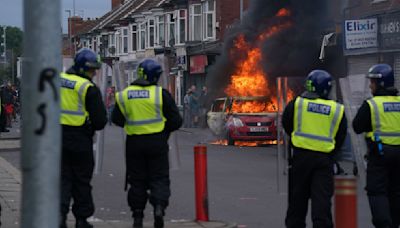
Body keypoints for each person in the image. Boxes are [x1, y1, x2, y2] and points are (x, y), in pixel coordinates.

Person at [112, 59, 182, 228]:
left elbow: (116, 119)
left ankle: (137, 215)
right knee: (159, 178)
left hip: (134, 143)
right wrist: (164, 131)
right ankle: (158, 207)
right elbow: (176, 120)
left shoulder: (124, 95)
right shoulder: (160, 94)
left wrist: (132, 124)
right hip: (157, 142)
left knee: (137, 180)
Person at [282, 70, 347, 228]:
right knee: (322, 207)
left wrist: (299, 139)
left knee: (297, 206)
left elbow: (287, 124)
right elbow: (340, 137)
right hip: (324, 162)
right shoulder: (336, 109)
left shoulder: (297, 103)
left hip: (300, 160)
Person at [59, 48, 107, 228]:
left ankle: (59, 217)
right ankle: (81, 220)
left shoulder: (57, 81)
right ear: (81, 68)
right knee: (81, 182)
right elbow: (100, 121)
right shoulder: (87, 88)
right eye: (91, 70)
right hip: (80, 140)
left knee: (61, 180)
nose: (94, 73)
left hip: (56, 139)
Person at [353, 63, 400, 228]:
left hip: (379, 156)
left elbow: (357, 126)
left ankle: (384, 225)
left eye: (372, 82)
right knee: (395, 192)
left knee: (377, 192)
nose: (370, 85)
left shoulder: (372, 105)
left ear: (381, 83)